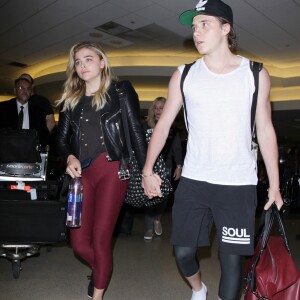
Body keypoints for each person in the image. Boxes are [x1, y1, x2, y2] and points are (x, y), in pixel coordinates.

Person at [141, 1, 283, 299]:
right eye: (194, 26)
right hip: (195, 179)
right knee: (182, 252)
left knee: (232, 263)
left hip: (238, 183)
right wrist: (147, 169)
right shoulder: (185, 74)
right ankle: (198, 287)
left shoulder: (255, 74)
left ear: (226, 28)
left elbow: (266, 129)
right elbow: (164, 125)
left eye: (204, 24)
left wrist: (275, 184)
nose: (196, 32)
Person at [56, 41, 147, 300]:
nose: (83, 65)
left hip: (112, 170)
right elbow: (61, 140)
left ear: (102, 62)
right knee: (79, 244)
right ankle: (100, 271)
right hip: (81, 176)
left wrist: (146, 170)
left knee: (100, 240)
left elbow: (135, 131)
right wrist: (69, 156)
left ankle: (97, 295)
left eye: (88, 59)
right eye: (78, 61)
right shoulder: (71, 100)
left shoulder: (120, 90)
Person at [143, 97, 183, 240]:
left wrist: (179, 166)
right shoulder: (146, 127)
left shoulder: (171, 128)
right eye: (156, 108)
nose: (158, 110)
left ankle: (157, 219)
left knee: (163, 195)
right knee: (148, 195)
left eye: (162, 108)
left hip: (166, 165)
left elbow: (177, 147)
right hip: (150, 166)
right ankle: (148, 227)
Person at [0, 77, 49, 147]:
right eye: (21, 88)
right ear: (15, 90)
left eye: (28, 88)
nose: (25, 91)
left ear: (31, 91)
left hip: (30, 153)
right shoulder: (3, 108)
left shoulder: (38, 111)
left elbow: (44, 135)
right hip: (7, 152)